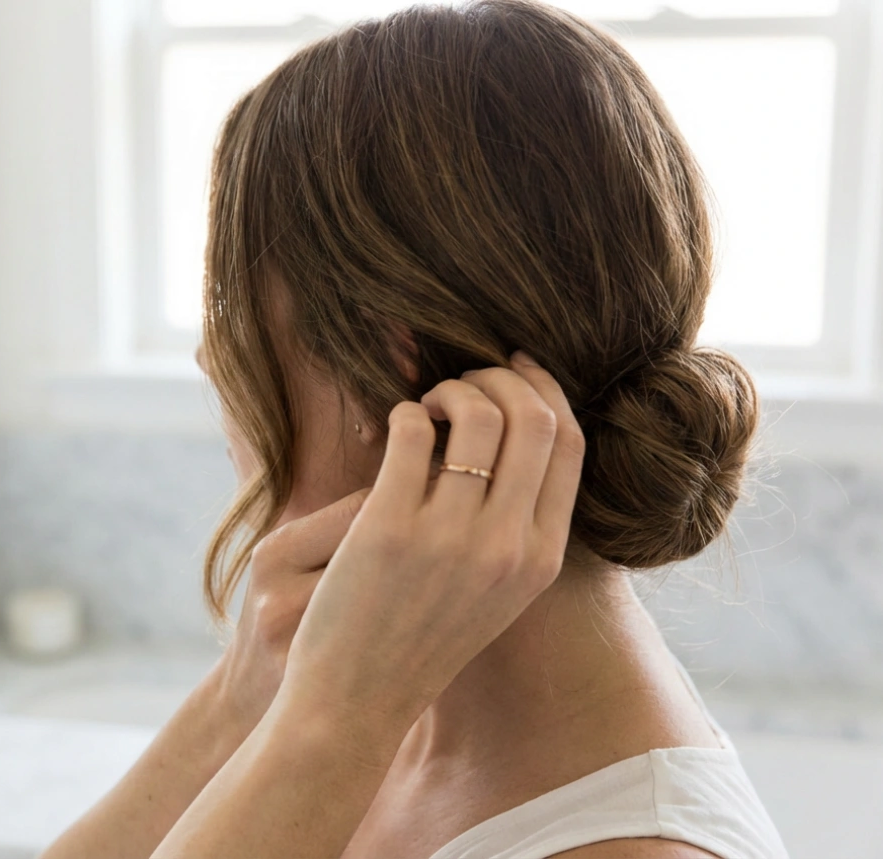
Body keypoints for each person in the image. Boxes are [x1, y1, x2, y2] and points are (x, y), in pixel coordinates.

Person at [43, 1, 788, 856]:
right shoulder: (379, 701)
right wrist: (237, 706)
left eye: (235, 306)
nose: (215, 362)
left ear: (384, 362)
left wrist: (330, 720)